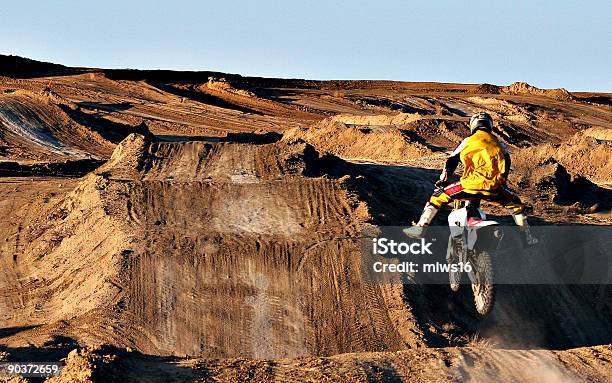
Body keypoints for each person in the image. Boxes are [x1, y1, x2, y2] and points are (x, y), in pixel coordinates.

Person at [403, 112, 538, 245]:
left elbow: (451, 161)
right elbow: (506, 163)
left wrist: (443, 179)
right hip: (493, 187)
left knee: (438, 196)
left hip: (469, 185)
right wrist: (502, 181)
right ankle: (527, 238)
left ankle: (420, 229)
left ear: (473, 125)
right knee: (516, 205)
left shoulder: (468, 141)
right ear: (490, 126)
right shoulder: (500, 143)